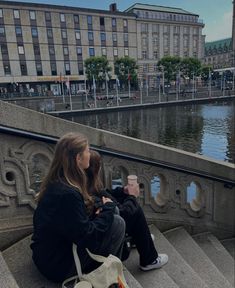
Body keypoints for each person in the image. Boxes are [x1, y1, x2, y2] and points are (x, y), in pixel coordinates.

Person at [30, 132, 125, 282]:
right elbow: (88, 237)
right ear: (78, 158)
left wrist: (99, 211)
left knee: (114, 213)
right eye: (87, 150)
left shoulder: (58, 181)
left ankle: (112, 269)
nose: (90, 153)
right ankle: (108, 274)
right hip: (58, 265)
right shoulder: (68, 193)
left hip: (48, 253)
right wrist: (106, 209)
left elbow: (72, 222)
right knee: (118, 223)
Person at [86, 150, 168, 271]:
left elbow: (105, 193)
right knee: (135, 210)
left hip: (102, 226)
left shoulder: (86, 185)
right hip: (106, 236)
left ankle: (138, 239)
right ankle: (149, 260)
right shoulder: (91, 194)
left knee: (127, 201)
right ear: (96, 170)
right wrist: (132, 196)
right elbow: (123, 215)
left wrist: (122, 191)